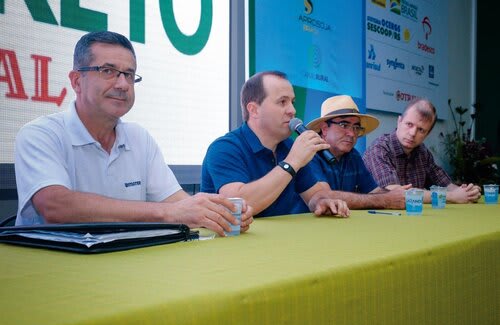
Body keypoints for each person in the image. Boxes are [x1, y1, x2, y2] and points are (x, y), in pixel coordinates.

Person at [14, 31, 252, 236]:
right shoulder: (41, 134)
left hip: (127, 263)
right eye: (108, 71)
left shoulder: (139, 137)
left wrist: (222, 211)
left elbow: (177, 202)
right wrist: (167, 213)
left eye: (129, 74)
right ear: (76, 81)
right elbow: (56, 206)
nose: (122, 84)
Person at [201, 70, 350, 218]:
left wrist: (323, 201)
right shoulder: (224, 148)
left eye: (292, 102)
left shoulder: (288, 146)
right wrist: (292, 162)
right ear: (254, 110)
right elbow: (237, 206)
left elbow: (314, 194)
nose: (292, 110)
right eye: (282, 102)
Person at [363, 98, 481, 203]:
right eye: (409, 124)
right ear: (399, 121)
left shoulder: (422, 152)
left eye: (421, 130)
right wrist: (451, 197)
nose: (412, 133)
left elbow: (445, 183)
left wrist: (467, 192)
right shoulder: (379, 150)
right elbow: (396, 194)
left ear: (427, 134)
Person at [305, 95, 408, 209]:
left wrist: (396, 194)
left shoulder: (353, 155)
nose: (352, 134)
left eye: (356, 127)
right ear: (324, 129)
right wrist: (386, 199)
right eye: (344, 125)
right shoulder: (310, 152)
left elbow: (373, 191)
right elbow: (326, 200)